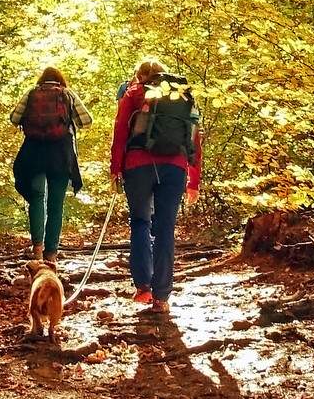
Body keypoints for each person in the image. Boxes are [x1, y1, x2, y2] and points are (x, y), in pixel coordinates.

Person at [110, 58, 203, 311]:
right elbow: (195, 137)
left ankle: (143, 289)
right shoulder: (183, 97)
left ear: (139, 76)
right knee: (165, 228)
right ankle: (162, 298)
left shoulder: (133, 93)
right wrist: (194, 179)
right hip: (174, 167)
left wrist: (115, 168)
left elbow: (120, 132)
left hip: (137, 166)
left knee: (140, 222)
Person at [11, 67, 91, 264]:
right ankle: (51, 254)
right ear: (60, 80)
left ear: (42, 80)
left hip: (34, 152)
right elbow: (86, 120)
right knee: (56, 203)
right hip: (60, 153)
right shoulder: (67, 94)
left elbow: (14, 118)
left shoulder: (31, 93)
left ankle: (37, 249)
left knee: (37, 197)